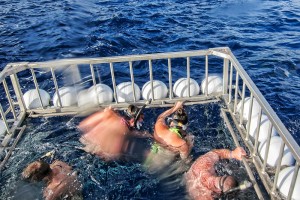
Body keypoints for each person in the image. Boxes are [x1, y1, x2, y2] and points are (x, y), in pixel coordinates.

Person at [78, 104, 151, 161]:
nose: (142, 121)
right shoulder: (123, 134)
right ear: (132, 121)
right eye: (141, 119)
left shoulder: (109, 114)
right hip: (96, 153)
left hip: (84, 141)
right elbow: (111, 155)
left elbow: (82, 125)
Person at [143, 101, 194, 174]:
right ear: (184, 126)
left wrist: (175, 107)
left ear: (172, 121)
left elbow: (161, 117)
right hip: (161, 166)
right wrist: (190, 145)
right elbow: (184, 159)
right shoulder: (182, 143)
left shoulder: (159, 127)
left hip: (149, 159)